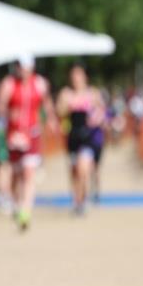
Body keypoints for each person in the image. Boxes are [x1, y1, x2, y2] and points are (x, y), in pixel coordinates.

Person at [0, 54, 58, 231]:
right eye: (21, 67)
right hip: (13, 135)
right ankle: (17, 204)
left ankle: (26, 210)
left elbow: (46, 104)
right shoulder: (8, 84)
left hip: (32, 134)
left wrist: (51, 120)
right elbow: (1, 107)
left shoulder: (39, 83)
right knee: (16, 174)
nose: (23, 70)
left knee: (29, 172)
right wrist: (7, 118)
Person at [56, 63, 105, 215]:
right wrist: (70, 106)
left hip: (88, 137)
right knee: (74, 171)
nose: (76, 78)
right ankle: (77, 199)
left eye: (79, 74)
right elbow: (59, 112)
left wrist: (96, 118)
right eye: (73, 75)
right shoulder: (66, 93)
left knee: (83, 169)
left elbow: (103, 111)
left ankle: (82, 200)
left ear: (85, 76)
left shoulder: (93, 93)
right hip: (73, 137)